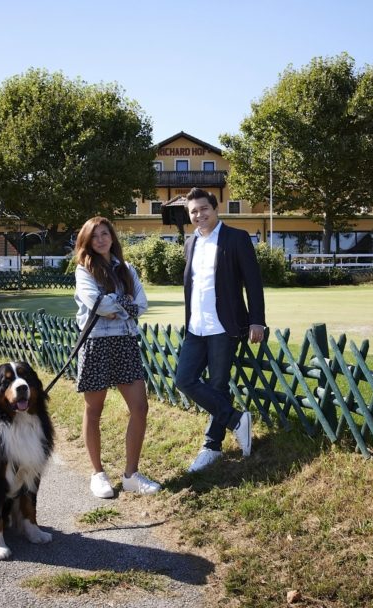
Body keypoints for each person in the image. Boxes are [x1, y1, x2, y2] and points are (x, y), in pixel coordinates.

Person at [176, 187, 266, 473]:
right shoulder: (190, 243)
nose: (199, 215)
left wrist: (257, 320)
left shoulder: (236, 238)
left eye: (204, 208)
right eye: (193, 211)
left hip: (223, 327)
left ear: (215, 208)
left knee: (217, 385)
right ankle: (237, 420)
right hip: (195, 327)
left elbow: (253, 282)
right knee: (184, 379)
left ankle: (211, 447)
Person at [73, 217, 161, 497]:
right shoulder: (83, 270)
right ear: (87, 241)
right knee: (94, 411)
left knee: (140, 407)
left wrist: (117, 306)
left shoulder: (127, 270)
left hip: (125, 342)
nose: (100, 239)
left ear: (112, 237)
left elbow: (142, 305)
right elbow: (97, 305)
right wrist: (123, 304)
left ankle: (131, 475)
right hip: (96, 344)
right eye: (94, 236)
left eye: (105, 234)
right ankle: (98, 474)